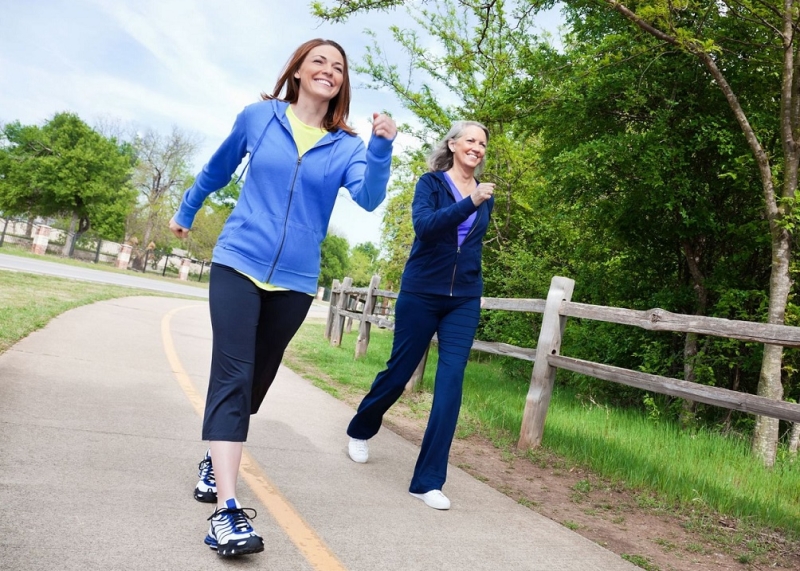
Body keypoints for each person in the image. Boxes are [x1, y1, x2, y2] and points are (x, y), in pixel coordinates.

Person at [169, 38, 396, 557]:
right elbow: (218, 167)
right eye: (319, 61)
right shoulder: (258, 117)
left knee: (258, 378)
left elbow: (368, 198)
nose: (329, 70)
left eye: (338, 67)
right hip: (237, 261)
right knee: (232, 372)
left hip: (294, 280)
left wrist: (381, 148)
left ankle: (214, 455)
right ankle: (226, 511)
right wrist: (187, 209)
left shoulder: (346, 147)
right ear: (296, 71)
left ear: (343, 84)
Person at [346, 121, 494, 510]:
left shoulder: (485, 194)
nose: (477, 148)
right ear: (453, 143)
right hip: (421, 294)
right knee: (399, 372)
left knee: (450, 384)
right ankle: (361, 428)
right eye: (471, 140)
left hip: (463, 299)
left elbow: (471, 247)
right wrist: (471, 202)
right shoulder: (430, 184)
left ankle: (427, 481)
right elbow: (425, 228)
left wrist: (474, 286)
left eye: (483, 143)